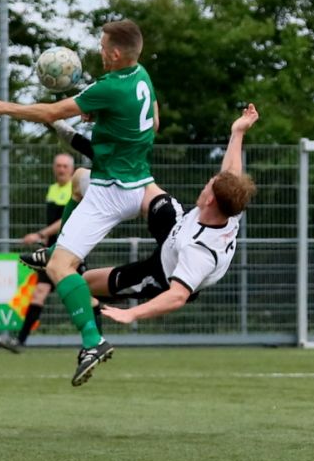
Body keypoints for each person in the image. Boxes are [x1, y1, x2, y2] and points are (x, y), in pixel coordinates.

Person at [0, 19, 157, 386]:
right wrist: (103, 111)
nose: (100, 52)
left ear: (116, 54)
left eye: (104, 48)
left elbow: (50, 113)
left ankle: (93, 341)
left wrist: (0, 106)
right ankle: (56, 247)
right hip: (137, 182)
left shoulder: (110, 87)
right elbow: (153, 121)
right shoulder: (141, 77)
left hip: (111, 191)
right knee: (76, 180)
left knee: (59, 270)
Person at [90, 103, 259, 326]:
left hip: (161, 273)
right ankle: (96, 159)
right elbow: (231, 173)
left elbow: (178, 296)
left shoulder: (199, 251)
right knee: (140, 186)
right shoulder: (228, 208)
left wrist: (132, 313)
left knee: (84, 283)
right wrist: (238, 131)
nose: (205, 186)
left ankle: (92, 325)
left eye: (208, 186)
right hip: (176, 228)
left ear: (210, 200)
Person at [0, 152, 76, 353]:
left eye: (65, 166)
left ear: (72, 169)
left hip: (71, 252)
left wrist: (40, 233)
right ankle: (20, 341)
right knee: (39, 293)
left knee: (84, 294)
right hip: (51, 252)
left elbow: (65, 221)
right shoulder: (52, 189)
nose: (61, 169)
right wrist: (45, 239)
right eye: (58, 165)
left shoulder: (74, 190)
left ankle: (95, 339)